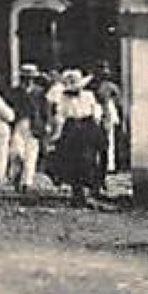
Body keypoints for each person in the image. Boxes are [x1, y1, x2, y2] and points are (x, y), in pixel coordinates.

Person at [45, 68, 105, 205]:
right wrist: (55, 133)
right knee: (71, 160)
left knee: (90, 158)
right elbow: (60, 115)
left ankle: (92, 188)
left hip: (87, 126)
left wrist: (95, 124)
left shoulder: (88, 96)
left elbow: (96, 111)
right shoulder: (63, 98)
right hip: (71, 128)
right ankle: (76, 192)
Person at [9, 64, 48, 195]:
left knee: (30, 155)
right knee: (16, 153)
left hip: (34, 124)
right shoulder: (15, 91)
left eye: (30, 78)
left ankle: (26, 183)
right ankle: (16, 176)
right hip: (19, 123)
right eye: (25, 78)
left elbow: (44, 110)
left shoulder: (40, 92)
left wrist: (45, 124)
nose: (28, 80)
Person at [93, 63, 124, 174]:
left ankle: (111, 164)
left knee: (110, 139)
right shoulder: (95, 86)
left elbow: (118, 101)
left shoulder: (111, 87)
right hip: (99, 112)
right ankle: (103, 164)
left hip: (109, 113)